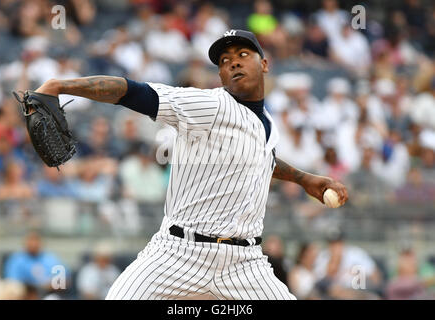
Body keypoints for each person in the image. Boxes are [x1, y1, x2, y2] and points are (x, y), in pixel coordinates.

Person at [32, 29, 348, 300]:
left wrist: (304, 179)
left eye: (243, 54)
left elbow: (260, 159)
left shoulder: (266, 124)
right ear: (221, 75)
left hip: (245, 263)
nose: (233, 61)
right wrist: (62, 86)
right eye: (224, 61)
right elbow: (135, 92)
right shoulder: (209, 104)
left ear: (264, 64)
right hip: (178, 253)